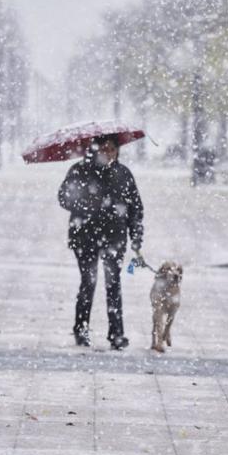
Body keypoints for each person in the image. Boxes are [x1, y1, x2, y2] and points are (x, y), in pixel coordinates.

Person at [58, 134, 144, 350]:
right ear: (95, 149)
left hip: (114, 237)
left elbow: (135, 207)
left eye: (113, 149)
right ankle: (81, 328)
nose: (109, 153)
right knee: (89, 281)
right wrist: (86, 204)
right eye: (104, 148)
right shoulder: (80, 170)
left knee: (113, 283)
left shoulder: (123, 174)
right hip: (84, 235)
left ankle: (116, 334)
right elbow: (63, 197)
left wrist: (136, 236)